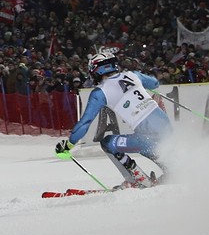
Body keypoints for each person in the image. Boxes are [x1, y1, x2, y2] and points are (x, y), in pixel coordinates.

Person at [54, 47, 171, 188]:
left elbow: (85, 123)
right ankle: (170, 170)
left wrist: (68, 145)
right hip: (168, 132)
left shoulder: (100, 91)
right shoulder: (132, 75)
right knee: (144, 140)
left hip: (148, 139)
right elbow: (154, 83)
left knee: (108, 142)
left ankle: (136, 180)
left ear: (96, 70)